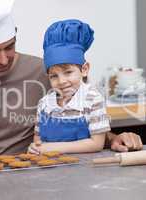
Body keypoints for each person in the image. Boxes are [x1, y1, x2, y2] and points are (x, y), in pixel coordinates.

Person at [0, 13, 142, 157]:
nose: (4, 59)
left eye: (10, 47)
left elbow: (83, 121)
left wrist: (113, 139)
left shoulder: (43, 71)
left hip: (30, 167)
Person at [28, 19, 143, 154]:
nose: (61, 81)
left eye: (68, 72)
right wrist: (35, 148)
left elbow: (96, 144)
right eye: (54, 76)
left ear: (84, 69)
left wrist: (51, 148)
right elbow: (38, 140)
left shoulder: (92, 99)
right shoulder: (45, 104)